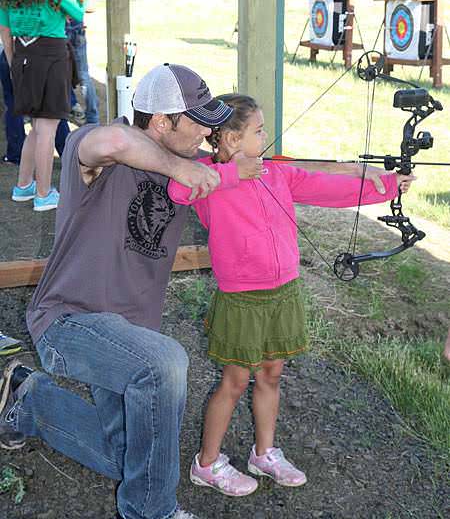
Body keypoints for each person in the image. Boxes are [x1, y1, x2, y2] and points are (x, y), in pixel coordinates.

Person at [0, 63, 238, 519]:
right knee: (166, 363)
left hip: (127, 336)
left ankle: (29, 398)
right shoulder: (98, 150)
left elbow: (261, 172)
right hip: (68, 322)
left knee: (133, 462)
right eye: (199, 122)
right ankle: (151, 513)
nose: (207, 135)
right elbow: (114, 142)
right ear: (161, 121)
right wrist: (180, 168)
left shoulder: (189, 162)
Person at [167, 93, 416, 496]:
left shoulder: (275, 174)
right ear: (229, 139)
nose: (266, 136)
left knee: (271, 373)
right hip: (242, 298)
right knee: (234, 380)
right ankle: (207, 463)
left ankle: (263, 453)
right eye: (259, 130)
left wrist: (387, 187)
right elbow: (179, 191)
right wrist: (235, 173)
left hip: (283, 292)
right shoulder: (207, 176)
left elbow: (327, 189)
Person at [0, 0, 86, 211]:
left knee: (36, 128)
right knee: (48, 128)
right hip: (50, 55)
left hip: (21, 55)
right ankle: (44, 193)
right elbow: (80, 10)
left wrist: (14, 66)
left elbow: (5, 31)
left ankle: (23, 186)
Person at [0, 0, 70, 165]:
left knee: (26, 115)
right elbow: (81, 7)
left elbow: (6, 28)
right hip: (39, 52)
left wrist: (11, 62)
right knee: (48, 120)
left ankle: (18, 161)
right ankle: (62, 159)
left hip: (16, 53)